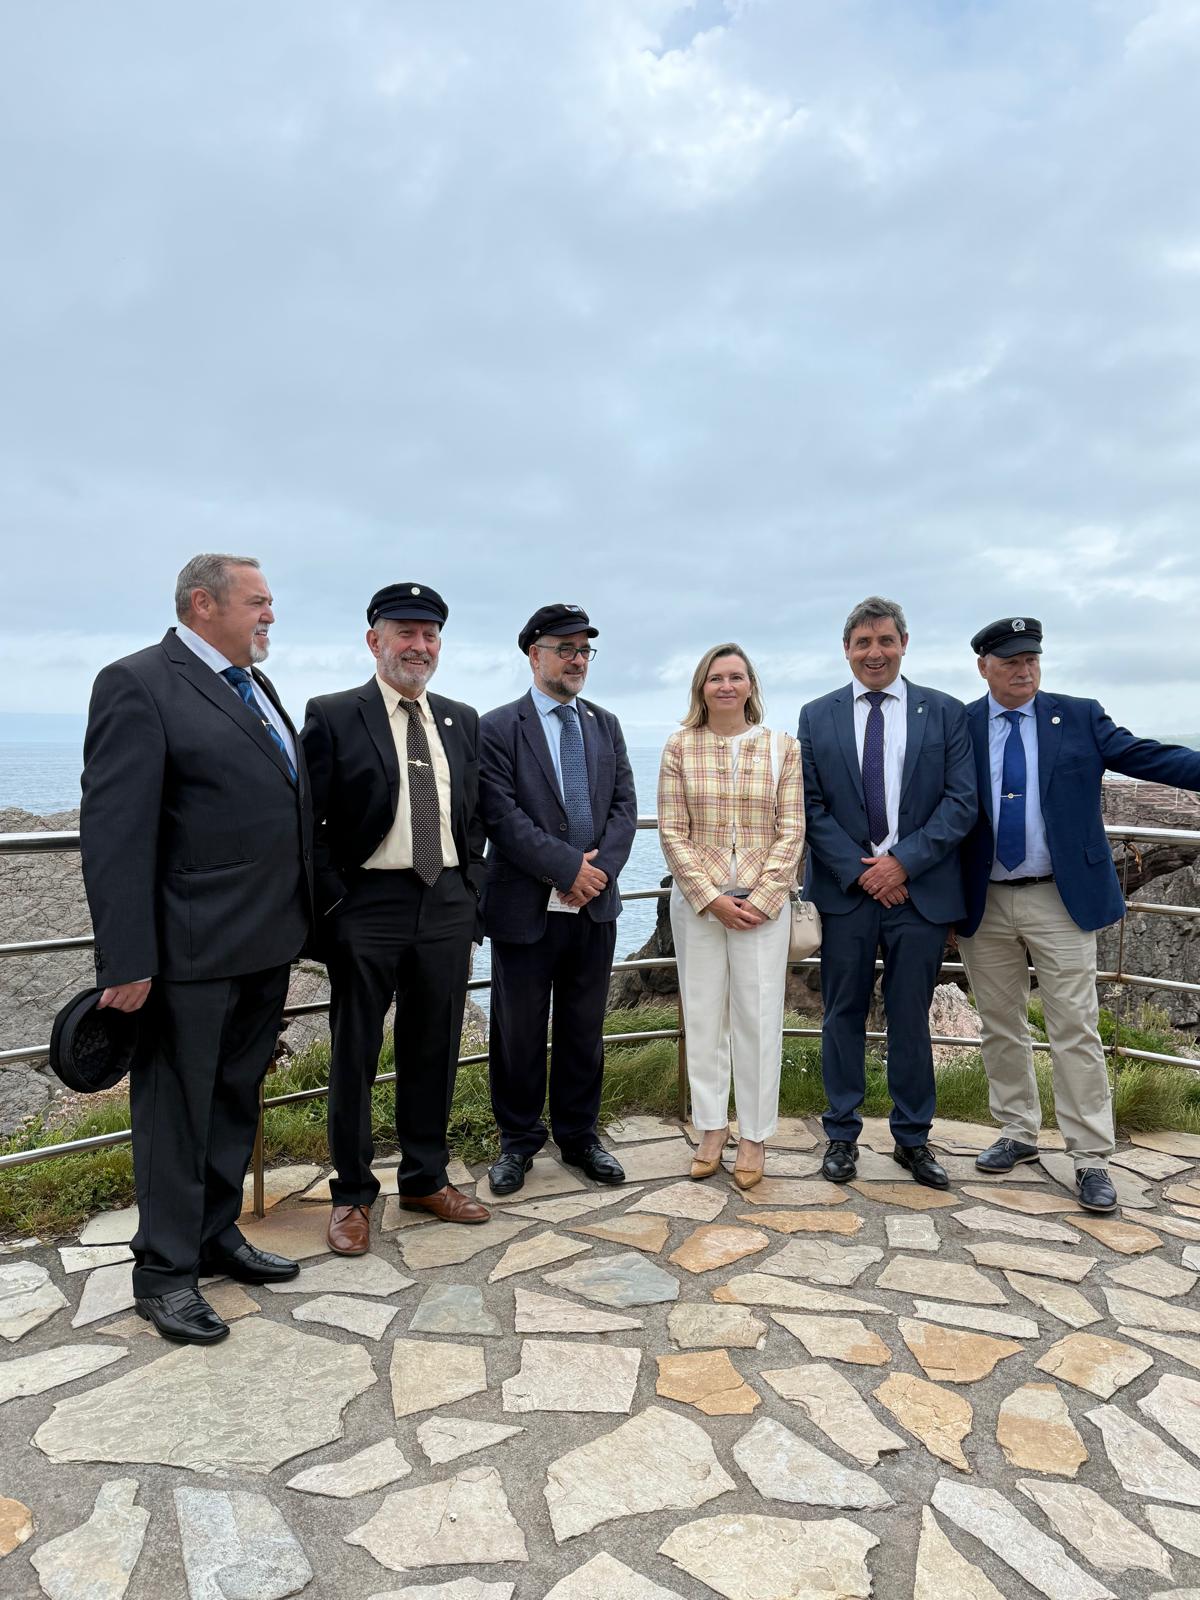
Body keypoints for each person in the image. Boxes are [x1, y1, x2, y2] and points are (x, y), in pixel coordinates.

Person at [79, 554, 311, 1343]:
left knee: (234, 1101)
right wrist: (127, 961)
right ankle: (164, 1273)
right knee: (175, 1118)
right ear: (203, 604)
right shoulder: (138, 682)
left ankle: (215, 1234)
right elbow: (115, 833)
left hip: (264, 942)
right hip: (187, 953)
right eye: (258, 602)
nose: (269, 615)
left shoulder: (255, 684)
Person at [959, 616, 1200, 1212]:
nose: (1024, 670)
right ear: (984, 667)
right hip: (983, 898)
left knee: (1075, 1027)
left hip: (1060, 898)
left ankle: (1090, 1156)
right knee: (1000, 1022)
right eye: (1010, 661)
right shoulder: (960, 725)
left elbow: (1149, 757)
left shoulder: (1079, 716)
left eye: (1031, 659)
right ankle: (1017, 1130)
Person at [300, 584, 489, 1255]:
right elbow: (309, 822)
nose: (419, 646)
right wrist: (335, 904)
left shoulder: (461, 719)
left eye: (430, 635)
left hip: (445, 902)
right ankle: (352, 1194)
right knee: (355, 1052)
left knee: (434, 1047)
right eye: (405, 633)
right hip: (367, 906)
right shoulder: (332, 714)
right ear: (374, 640)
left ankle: (425, 1179)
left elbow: (475, 814)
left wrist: (471, 890)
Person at [799, 596, 976, 1189]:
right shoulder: (816, 716)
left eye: (885, 641)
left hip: (918, 895)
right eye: (863, 643)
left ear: (904, 644)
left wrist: (902, 864)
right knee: (841, 1015)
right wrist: (864, 872)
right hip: (846, 895)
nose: (874, 653)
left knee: (910, 1018)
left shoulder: (945, 712)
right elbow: (810, 806)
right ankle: (841, 1134)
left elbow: (961, 803)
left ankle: (913, 1139)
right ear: (846, 650)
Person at [479, 604, 637, 1196]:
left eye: (584, 650)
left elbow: (624, 808)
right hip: (524, 908)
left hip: (593, 908)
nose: (577, 660)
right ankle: (517, 1142)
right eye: (565, 649)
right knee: (518, 1032)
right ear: (534, 654)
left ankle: (579, 1137)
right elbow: (501, 816)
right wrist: (568, 868)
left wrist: (596, 874)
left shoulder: (606, 724)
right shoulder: (497, 727)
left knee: (583, 1028)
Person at [658, 645, 804, 1189]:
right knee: (703, 1017)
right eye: (715, 677)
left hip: (764, 907)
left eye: (736, 677)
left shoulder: (782, 748)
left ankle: (755, 1135)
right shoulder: (679, 746)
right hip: (700, 906)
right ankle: (712, 1128)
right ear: (702, 686)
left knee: (759, 1019)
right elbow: (672, 831)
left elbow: (793, 829)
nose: (726, 685)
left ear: (750, 686)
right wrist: (710, 897)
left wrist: (764, 898)